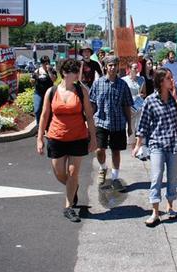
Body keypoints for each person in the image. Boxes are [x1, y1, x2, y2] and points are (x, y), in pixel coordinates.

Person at [36, 59, 97, 223]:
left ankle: (68, 207)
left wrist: (93, 138)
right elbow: (44, 116)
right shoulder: (52, 91)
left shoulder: (81, 91)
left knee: (73, 173)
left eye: (78, 71)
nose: (78, 74)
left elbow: (89, 116)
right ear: (64, 73)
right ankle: (73, 187)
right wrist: (40, 139)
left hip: (78, 137)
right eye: (75, 72)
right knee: (59, 173)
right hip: (56, 137)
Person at [132, 68, 177, 227]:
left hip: (176, 144)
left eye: (172, 77)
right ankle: (155, 212)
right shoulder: (150, 100)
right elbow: (143, 125)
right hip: (157, 144)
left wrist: (176, 97)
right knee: (156, 177)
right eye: (169, 78)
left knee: (172, 177)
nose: (173, 81)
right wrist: (138, 145)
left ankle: (170, 207)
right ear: (161, 82)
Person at [89, 55, 133, 190]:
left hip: (118, 123)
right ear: (105, 67)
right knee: (99, 149)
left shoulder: (123, 85)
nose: (113, 68)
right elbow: (92, 105)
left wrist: (130, 125)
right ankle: (103, 168)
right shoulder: (98, 83)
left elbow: (127, 105)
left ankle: (115, 178)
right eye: (110, 65)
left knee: (116, 151)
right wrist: (89, 123)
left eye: (115, 65)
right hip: (101, 122)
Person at [122, 62, 146, 146]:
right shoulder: (124, 80)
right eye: (134, 68)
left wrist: (140, 96)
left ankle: (140, 146)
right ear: (129, 69)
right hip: (129, 106)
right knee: (130, 125)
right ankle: (132, 145)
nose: (136, 70)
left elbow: (144, 93)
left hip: (139, 105)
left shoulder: (141, 79)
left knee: (140, 124)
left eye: (137, 68)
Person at [31, 55, 58, 125]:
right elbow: (32, 81)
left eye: (47, 63)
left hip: (49, 94)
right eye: (44, 63)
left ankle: (48, 127)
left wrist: (49, 71)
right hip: (39, 93)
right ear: (41, 63)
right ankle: (39, 127)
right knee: (37, 110)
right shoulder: (37, 71)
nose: (45, 65)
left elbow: (54, 79)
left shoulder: (52, 70)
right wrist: (33, 79)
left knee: (50, 111)